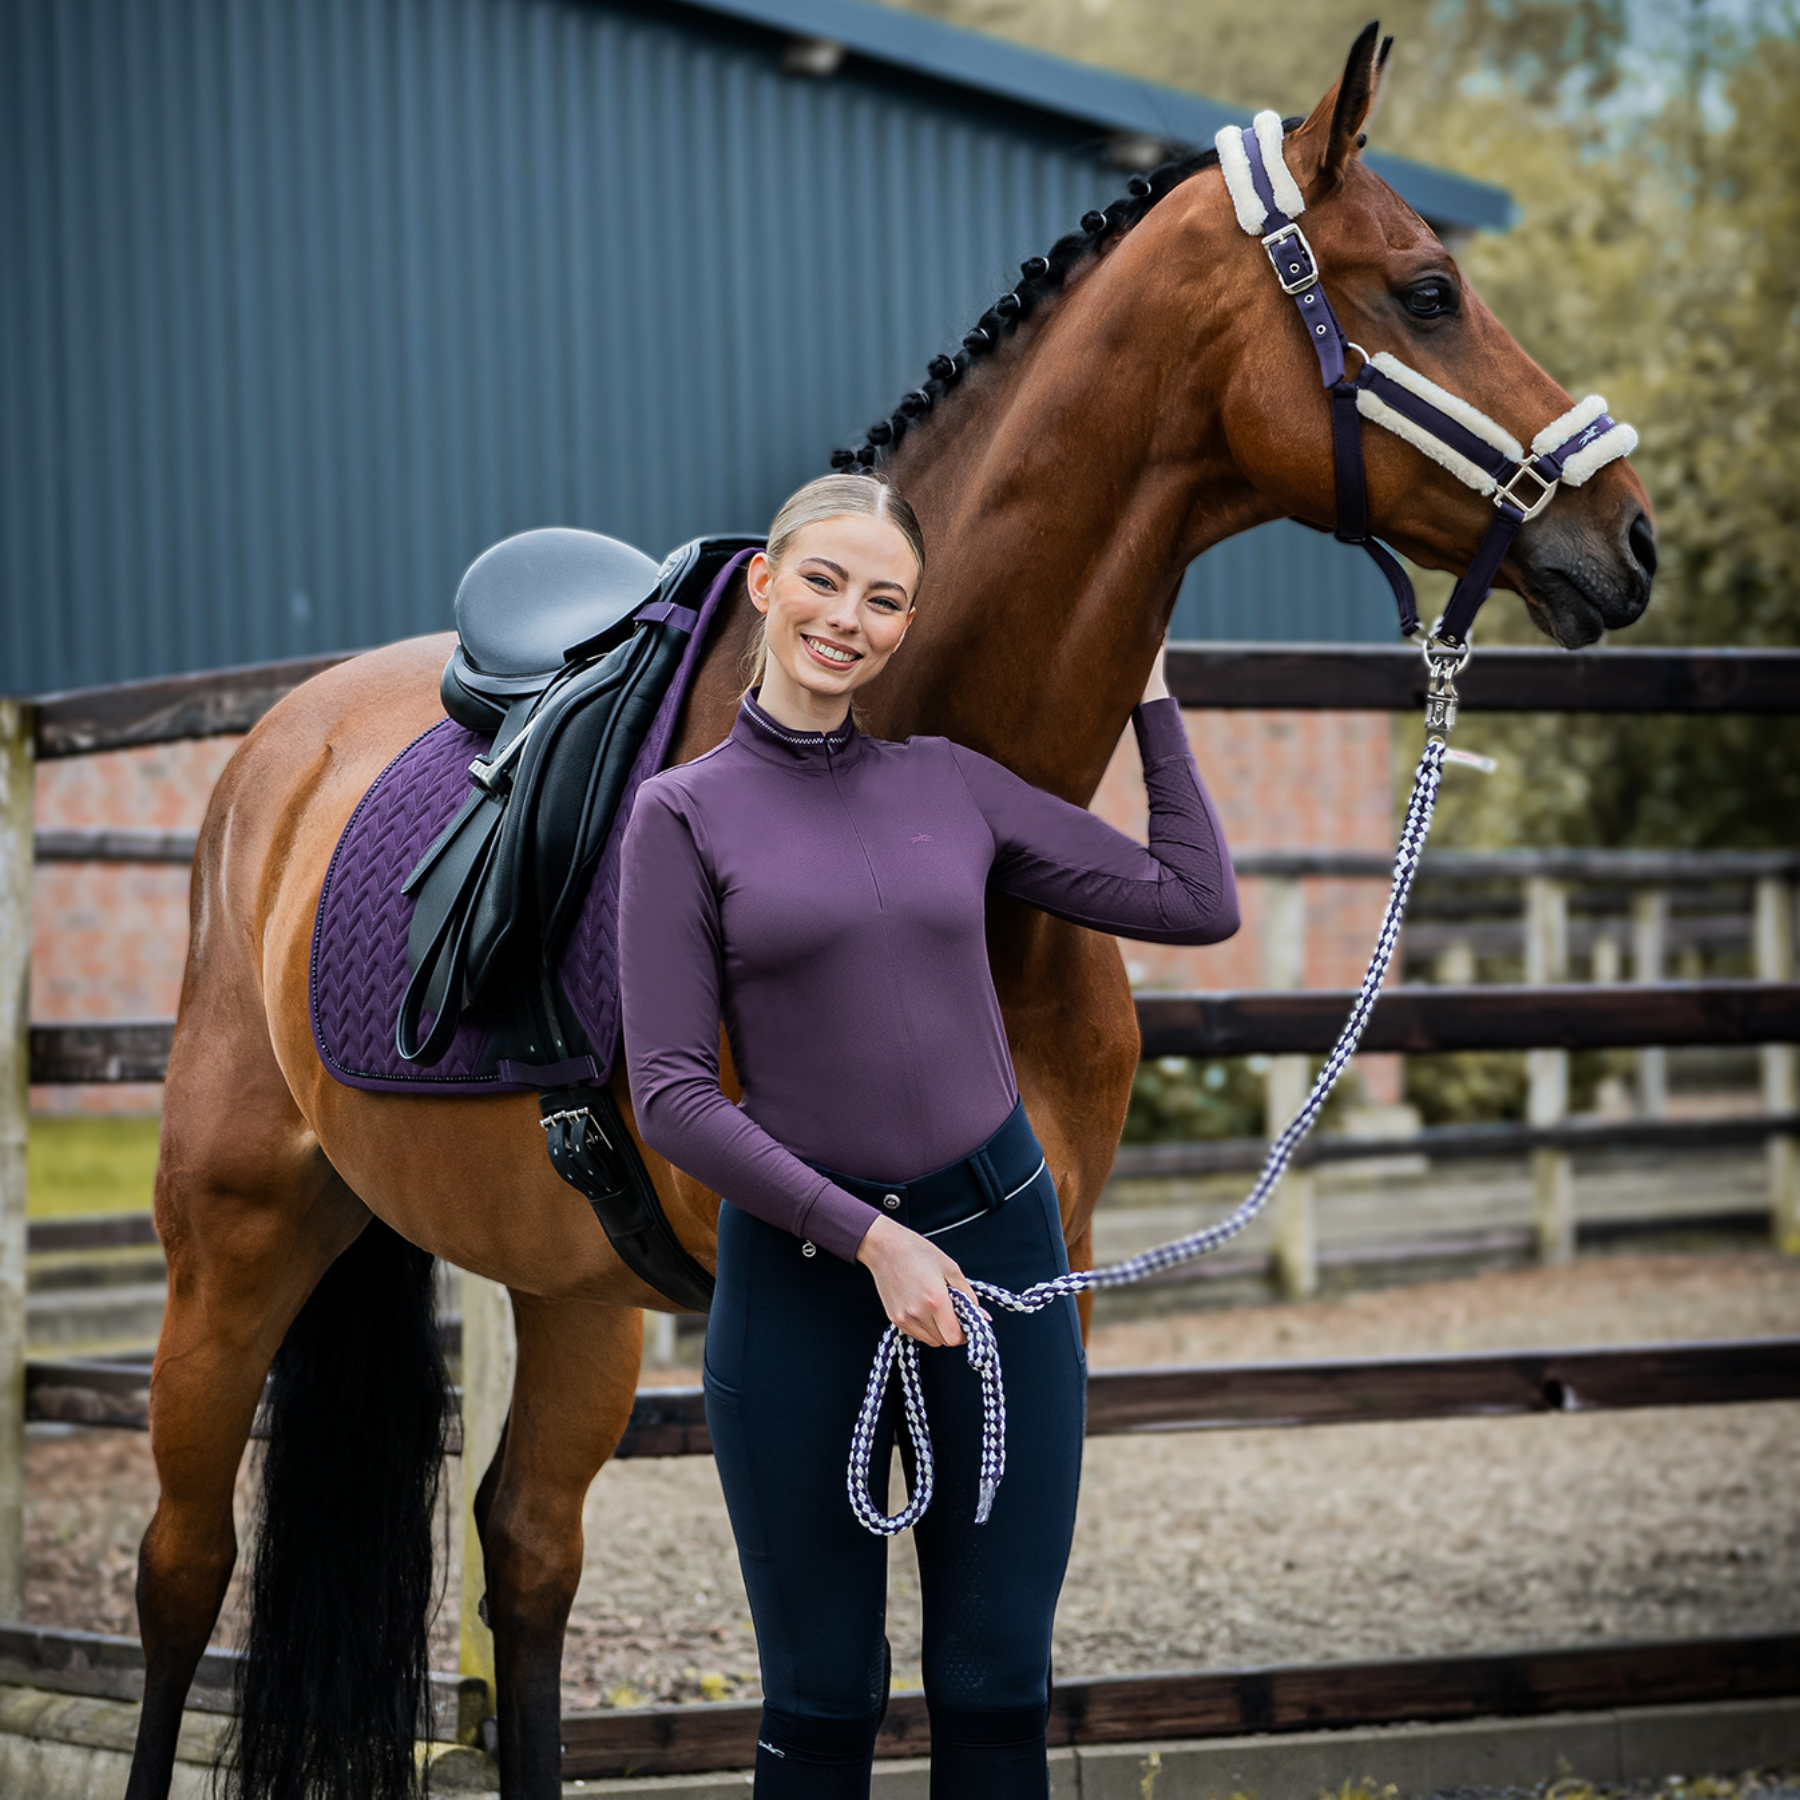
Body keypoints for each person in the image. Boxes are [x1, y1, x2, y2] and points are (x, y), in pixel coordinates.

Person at [618, 473, 1238, 1799]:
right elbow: (671, 1094)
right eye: (827, 582)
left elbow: (1195, 899)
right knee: (822, 1696)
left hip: (999, 1254)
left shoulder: (949, 786)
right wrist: (870, 1241)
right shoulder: (682, 817)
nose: (850, 618)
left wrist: (1152, 698)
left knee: (999, 1683)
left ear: (907, 626)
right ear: (766, 586)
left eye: (886, 599)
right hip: (803, 1286)